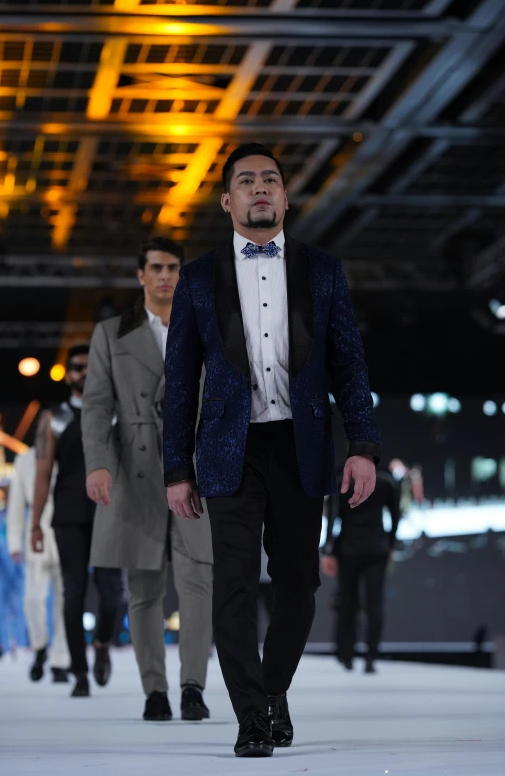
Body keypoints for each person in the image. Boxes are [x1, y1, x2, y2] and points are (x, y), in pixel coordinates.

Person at [163, 143, 381, 757]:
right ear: (227, 199)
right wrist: (176, 469)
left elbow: (350, 365)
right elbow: (179, 380)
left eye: (270, 180)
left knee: (298, 586)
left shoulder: (322, 271)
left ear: (286, 198)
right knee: (232, 584)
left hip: (300, 443)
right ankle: (250, 719)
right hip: (228, 449)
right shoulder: (199, 277)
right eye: (246, 181)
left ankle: (272, 691)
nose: (259, 189)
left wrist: (362, 444)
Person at [82, 237, 213, 722]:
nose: (165, 276)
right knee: (145, 586)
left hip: (193, 466)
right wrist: (98, 463)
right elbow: (96, 405)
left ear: (182, 273)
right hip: (134, 467)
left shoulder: (203, 329)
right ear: (141, 275)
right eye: (156, 267)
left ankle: (193, 686)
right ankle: (154, 690)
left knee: (199, 578)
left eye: (173, 267)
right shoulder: (110, 335)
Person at [31, 345, 122, 698]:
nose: (82, 373)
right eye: (76, 367)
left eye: (89, 366)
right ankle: (79, 672)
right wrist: (35, 523)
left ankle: (101, 644)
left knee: (112, 593)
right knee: (73, 594)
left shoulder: (116, 413)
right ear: (67, 373)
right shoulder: (52, 418)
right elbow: (42, 475)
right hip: (68, 515)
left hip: (111, 511)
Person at [321, 468, 401, 674]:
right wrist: (391, 544)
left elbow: (333, 517)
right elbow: (395, 515)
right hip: (377, 547)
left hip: (349, 547)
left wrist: (328, 549)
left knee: (348, 601)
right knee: (374, 603)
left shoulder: (343, 481)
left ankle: (346, 655)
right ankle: (371, 656)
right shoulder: (386, 481)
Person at [7, 447, 70, 683]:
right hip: (36, 538)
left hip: (66, 536)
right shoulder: (23, 461)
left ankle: (61, 661)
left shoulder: (67, 453)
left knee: (66, 603)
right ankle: (40, 646)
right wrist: (14, 544)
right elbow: (16, 504)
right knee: (32, 600)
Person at [0, 498, 28, 658]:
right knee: (1, 608)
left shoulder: (26, 515)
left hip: (20, 567)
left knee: (21, 607)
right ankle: (6, 647)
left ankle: (22, 645)